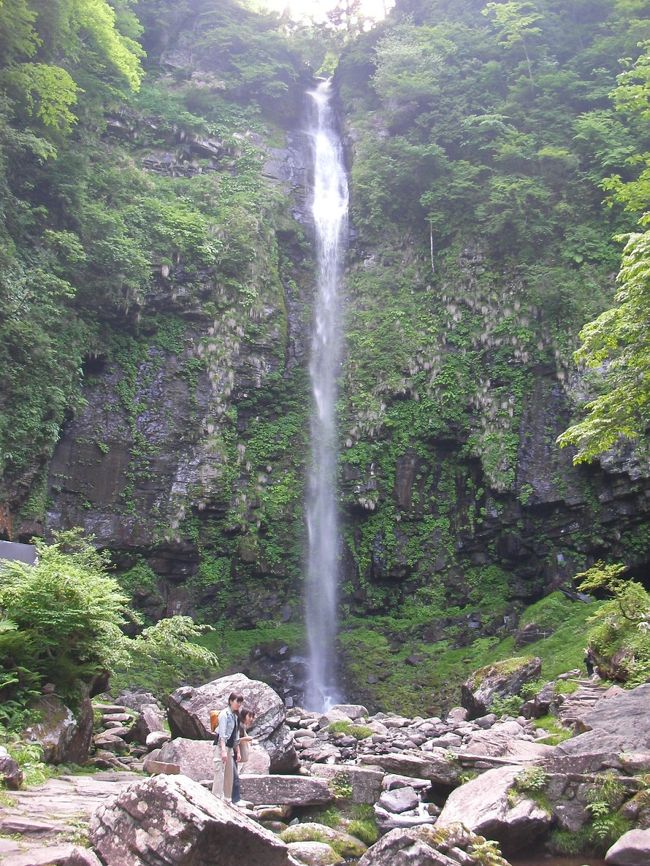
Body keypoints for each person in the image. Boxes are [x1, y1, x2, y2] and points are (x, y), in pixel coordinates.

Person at [212, 692, 243, 800]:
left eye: (240, 702)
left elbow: (236, 736)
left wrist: (238, 751)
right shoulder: (224, 714)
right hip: (221, 746)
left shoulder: (235, 716)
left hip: (229, 748)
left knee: (229, 774)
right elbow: (222, 733)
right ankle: (216, 797)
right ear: (230, 701)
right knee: (219, 772)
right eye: (237, 701)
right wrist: (223, 750)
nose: (238, 704)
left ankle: (227, 798)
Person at [232, 708, 256, 805]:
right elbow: (234, 740)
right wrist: (246, 739)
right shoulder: (239, 726)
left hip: (232, 753)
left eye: (253, 717)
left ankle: (234, 799)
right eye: (249, 716)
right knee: (234, 777)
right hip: (229, 753)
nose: (251, 719)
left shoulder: (241, 726)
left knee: (234, 776)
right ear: (243, 715)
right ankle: (235, 800)